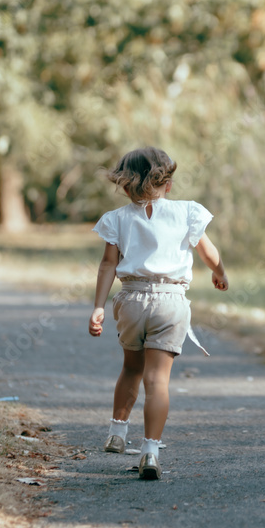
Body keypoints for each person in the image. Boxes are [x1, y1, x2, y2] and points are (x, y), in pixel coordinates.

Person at [88, 147, 228, 480]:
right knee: (157, 380)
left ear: (125, 186)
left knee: (131, 367)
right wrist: (219, 271)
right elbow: (206, 249)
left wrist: (98, 306)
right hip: (170, 301)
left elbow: (108, 263)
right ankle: (150, 451)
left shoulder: (116, 218)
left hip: (131, 300)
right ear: (168, 183)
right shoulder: (187, 212)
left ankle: (117, 433)